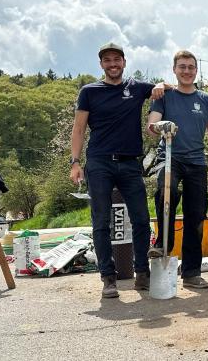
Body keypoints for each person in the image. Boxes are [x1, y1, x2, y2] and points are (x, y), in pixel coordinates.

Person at [70, 42, 163, 298]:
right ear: (101, 64)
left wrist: (160, 86)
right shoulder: (89, 92)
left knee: (142, 220)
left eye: (117, 59)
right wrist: (75, 162)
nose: (112, 64)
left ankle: (142, 273)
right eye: (107, 60)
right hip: (99, 162)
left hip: (130, 163)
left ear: (124, 62)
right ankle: (108, 279)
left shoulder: (136, 88)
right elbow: (78, 129)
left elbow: (166, 88)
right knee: (101, 222)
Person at [146, 50, 208, 289]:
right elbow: (151, 125)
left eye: (191, 67)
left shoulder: (206, 100)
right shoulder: (164, 95)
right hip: (170, 158)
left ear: (196, 70)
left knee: (196, 216)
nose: (187, 71)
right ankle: (163, 244)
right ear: (174, 70)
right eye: (182, 67)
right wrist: (160, 126)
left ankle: (191, 272)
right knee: (166, 192)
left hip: (197, 162)